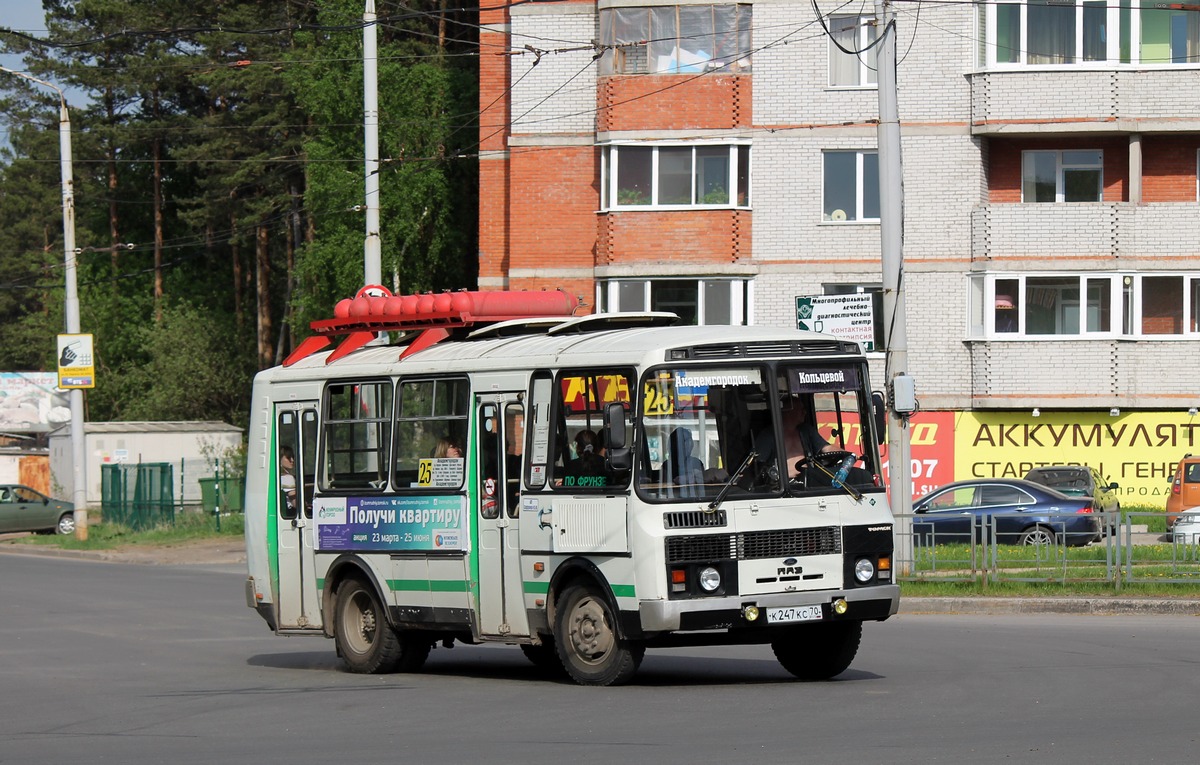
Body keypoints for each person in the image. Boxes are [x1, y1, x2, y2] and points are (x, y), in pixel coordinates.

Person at [279, 445, 297, 512]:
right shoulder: (288, 478)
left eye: (293, 457)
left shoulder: (278, 476)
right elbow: (295, 503)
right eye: (288, 457)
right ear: (279, 458)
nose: (292, 460)